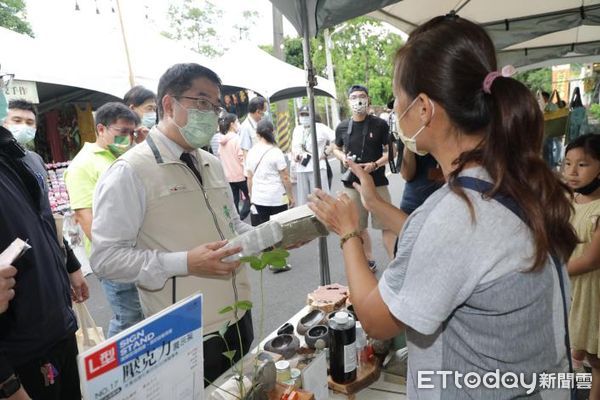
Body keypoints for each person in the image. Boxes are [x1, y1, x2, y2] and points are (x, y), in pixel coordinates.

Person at [310, 14, 577, 399]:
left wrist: (349, 230)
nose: (395, 108)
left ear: (423, 108)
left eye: (397, 97)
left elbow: (374, 320)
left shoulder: (457, 213)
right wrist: (374, 205)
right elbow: (464, 252)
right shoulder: (510, 179)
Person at [90, 63, 253, 384]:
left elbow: (232, 226)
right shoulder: (130, 171)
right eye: (202, 101)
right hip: (185, 332)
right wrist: (186, 262)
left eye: (215, 105)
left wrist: (274, 236)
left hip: (239, 313)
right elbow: (105, 260)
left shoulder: (211, 163)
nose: (211, 113)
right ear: (168, 104)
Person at [0, 86, 83, 399]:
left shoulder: (23, 157)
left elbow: (45, 222)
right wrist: (6, 382)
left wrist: (71, 265)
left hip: (58, 324)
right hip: (20, 346)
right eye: (16, 119)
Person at [65, 102, 144, 338]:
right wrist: (113, 254)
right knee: (127, 316)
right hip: (114, 256)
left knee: (142, 312)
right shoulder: (83, 164)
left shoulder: (125, 155)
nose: (128, 138)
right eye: (122, 133)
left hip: (140, 250)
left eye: (132, 133)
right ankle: (113, 370)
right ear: (101, 129)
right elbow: (84, 215)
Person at [333, 84, 395, 269]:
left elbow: (392, 152)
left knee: (388, 224)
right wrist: (343, 157)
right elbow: (335, 148)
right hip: (352, 183)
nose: (358, 100)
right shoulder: (342, 127)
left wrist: (375, 164)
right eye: (354, 97)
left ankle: (395, 261)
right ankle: (368, 259)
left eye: (361, 96)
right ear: (348, 101)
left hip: (377, 182)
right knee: (357, 227)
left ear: (368, 100)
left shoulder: (380, 124)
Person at [563, 134, 600, 399]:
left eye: (583, 164)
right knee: (574, 348)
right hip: (570, 287)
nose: (572, 172)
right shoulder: (568, 200)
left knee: (596, 359)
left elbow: (591, 260)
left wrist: (551, 273)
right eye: (567, 163)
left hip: (591, 290)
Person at [245, 119, 294, 273]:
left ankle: (269, 257)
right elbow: (285, 177)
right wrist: (291, 195)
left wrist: (252, 196)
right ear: (272, 132)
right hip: (277, 197)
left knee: (265, 228)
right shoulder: (275, 152)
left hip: (259, 197)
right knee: (278, 230)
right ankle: (278, 262)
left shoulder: (251, 152)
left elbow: (249, 178)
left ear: (257, 134)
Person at [291, 105, 335, 205]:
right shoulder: (297, 130)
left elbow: (336, 139)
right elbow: (294, 147)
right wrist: (295, 156)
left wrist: (325, 153)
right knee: (304, 200)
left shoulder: (320, 127)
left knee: (321, 198)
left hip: (318, 168)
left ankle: (325, 219)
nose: (304, 117)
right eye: (302, 114)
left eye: (307, 115)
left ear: (312, 115)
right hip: (301, 168)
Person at [219, 112, 250, 220]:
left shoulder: (221, 142)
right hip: (241, 175)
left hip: (229, 177)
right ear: (232, 124)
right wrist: (248, 172)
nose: (239, 124)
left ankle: (237, 223)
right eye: (237, 122)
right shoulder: (237, 139)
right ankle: (242, 217)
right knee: (250, 197)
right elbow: (242, 158)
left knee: (234, 201)